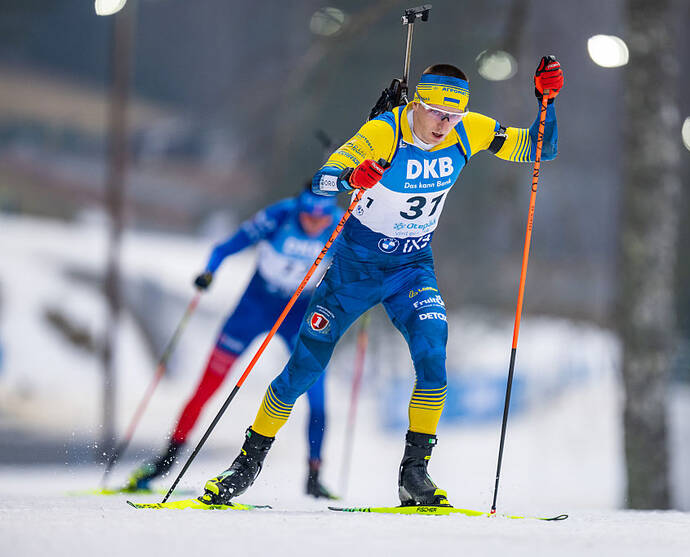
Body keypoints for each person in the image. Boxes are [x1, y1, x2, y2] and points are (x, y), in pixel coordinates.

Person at [199, 56, 564, 507]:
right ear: (418, 104)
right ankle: (246, 464)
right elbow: (323, 179)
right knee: (304, 371)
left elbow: (538, 149)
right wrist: (354, 175)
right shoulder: (385, 131)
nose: (444, 125)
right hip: (355, 269)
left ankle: (414, 474)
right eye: (436, 113)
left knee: (433, 354)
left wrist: (547, 103)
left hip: (412, 267)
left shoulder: (469, 130)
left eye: (453, 116)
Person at [125, 188, 343, 498]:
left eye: (320, 220)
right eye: (307, 216)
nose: (313, 224)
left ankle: (314, 474)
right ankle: (165, 462)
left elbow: (360, 264)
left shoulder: (341, 223)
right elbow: (224, 248)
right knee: (207, 386)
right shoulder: (279, 215)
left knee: (317, 394)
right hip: (254, 306)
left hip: (298, 311)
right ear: (299, 209)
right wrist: (208, 273)